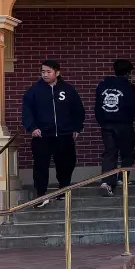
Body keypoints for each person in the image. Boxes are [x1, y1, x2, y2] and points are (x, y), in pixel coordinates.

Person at [21, 60, 85, 208]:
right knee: (40, 166)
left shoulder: (68, 90)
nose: (45, 74)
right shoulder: (34, 91)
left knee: (66, 164)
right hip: (42, 136)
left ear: (57, 73)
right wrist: (32, 127)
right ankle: (41, 195)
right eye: (43, 72)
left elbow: (78, 110)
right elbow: (27, 111)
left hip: (64, 135)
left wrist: (76, 128)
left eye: (48, 72)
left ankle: (63, 190)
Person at [95, 59, 135, 195]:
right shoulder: (129, 87)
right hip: (124, 124)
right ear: (128, 72)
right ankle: (122, 178)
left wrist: (102, 121)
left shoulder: (102, 85)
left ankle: (107, 182)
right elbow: (133, 107)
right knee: (127, 153)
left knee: (109, 153)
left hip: (107, 124)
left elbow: (97, 106)